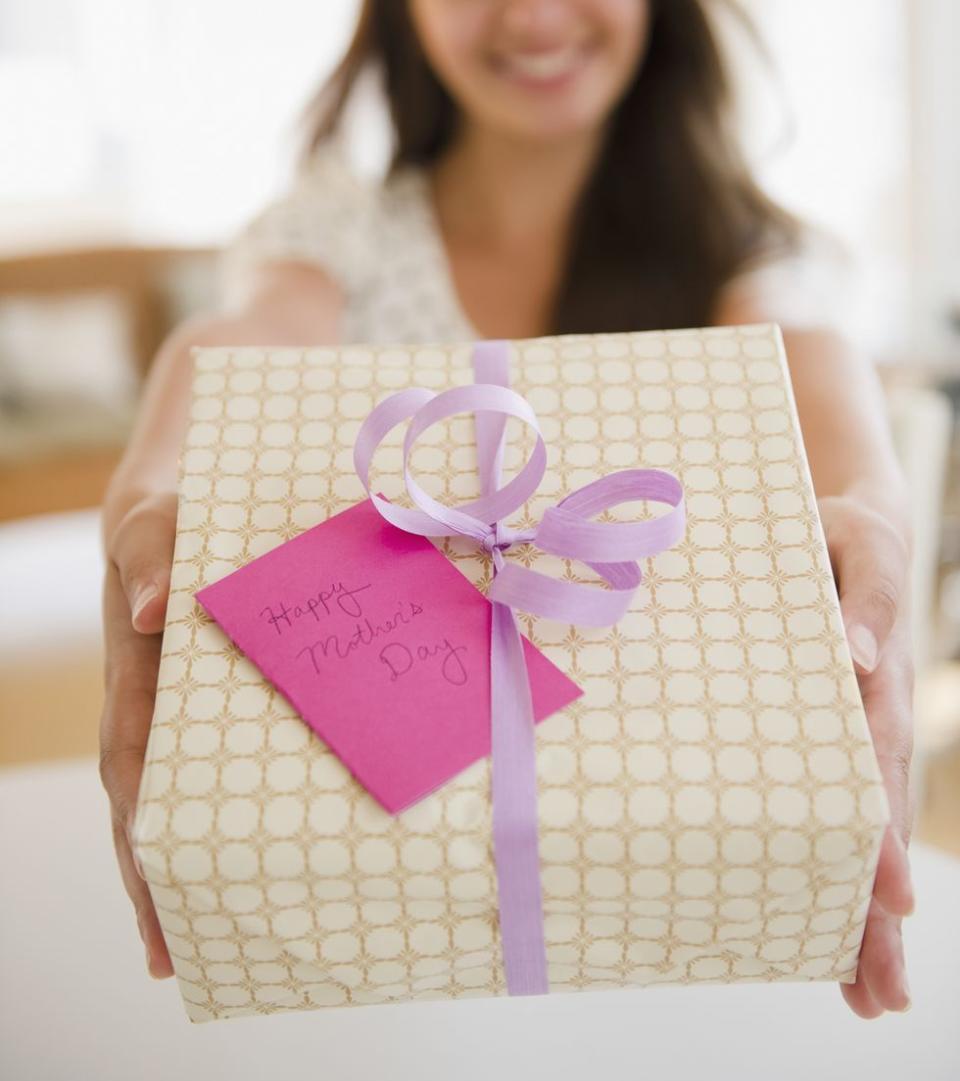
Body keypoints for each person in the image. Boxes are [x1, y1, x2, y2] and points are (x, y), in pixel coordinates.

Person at [98, 0, 915, 1019]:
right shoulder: (336, 233)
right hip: (381, 923)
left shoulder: (747, 251)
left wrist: (864, 501)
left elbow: (803, 354)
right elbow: (245, 334)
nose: (532, 15)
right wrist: (152, 490)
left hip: (682, 928)